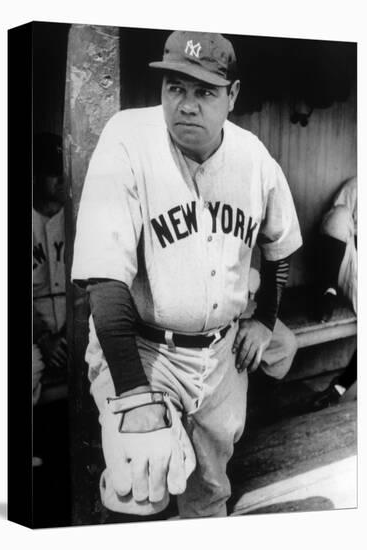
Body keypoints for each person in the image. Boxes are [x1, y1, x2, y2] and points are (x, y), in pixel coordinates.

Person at [72, 30, 302, 519]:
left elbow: (280, 245)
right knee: (139, 487)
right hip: (142, 347)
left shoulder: (254, 157)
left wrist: (265, 321)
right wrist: (135, 396)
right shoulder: (128, 138)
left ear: (232, 95)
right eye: (176, 87)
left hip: (220, 358)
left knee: (209, 492)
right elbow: (105, 278)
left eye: (204, 91)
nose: (187, 105)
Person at [312, 176, 357, 409]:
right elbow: (331, 226)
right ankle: (328, 291)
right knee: (339, 215)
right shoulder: (357, 185)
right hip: (352, 262)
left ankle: (339, 386)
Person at [33, 132, 67, 403]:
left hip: (74, 332)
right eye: (52, 173)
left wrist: (68, 336)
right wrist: (43, 338)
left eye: (63, 171)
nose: (61, 179)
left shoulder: (78, 219)